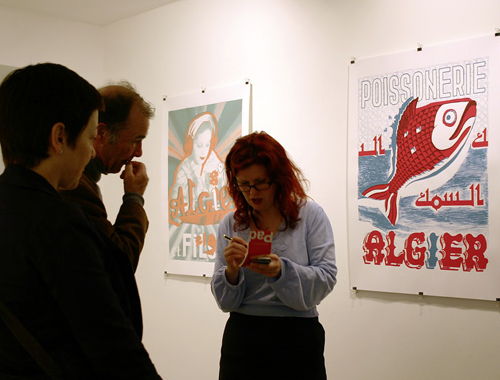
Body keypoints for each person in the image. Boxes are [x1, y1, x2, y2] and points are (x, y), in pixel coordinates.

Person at [0, 63, 161, 379]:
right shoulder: (60, 223)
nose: (92, 153)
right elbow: (114, 346)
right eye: (91, 138)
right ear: (59, 137)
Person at [211, 131, 337, 380]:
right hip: (243, 338)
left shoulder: (309, 215)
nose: (252, 192)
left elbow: (326, 278)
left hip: (297, 338)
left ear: (279, 178)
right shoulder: (232, 223)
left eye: (260, 183)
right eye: (244, 184)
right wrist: (231, 272)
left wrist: (282, 271)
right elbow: (224, 302)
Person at [61, 81, 154, 271]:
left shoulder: (82, 182)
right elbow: (120, 263)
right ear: (101, 133)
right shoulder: (74, 187)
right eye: (136, 141)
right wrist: (133, 198)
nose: (139, 152)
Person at [168, 112, 228, 261]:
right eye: (199, 145)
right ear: (191, 143)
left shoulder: (217, 164)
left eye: (207, 145)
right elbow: (174, 208)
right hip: (190, 236)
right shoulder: (184, 169)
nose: (203, 151)